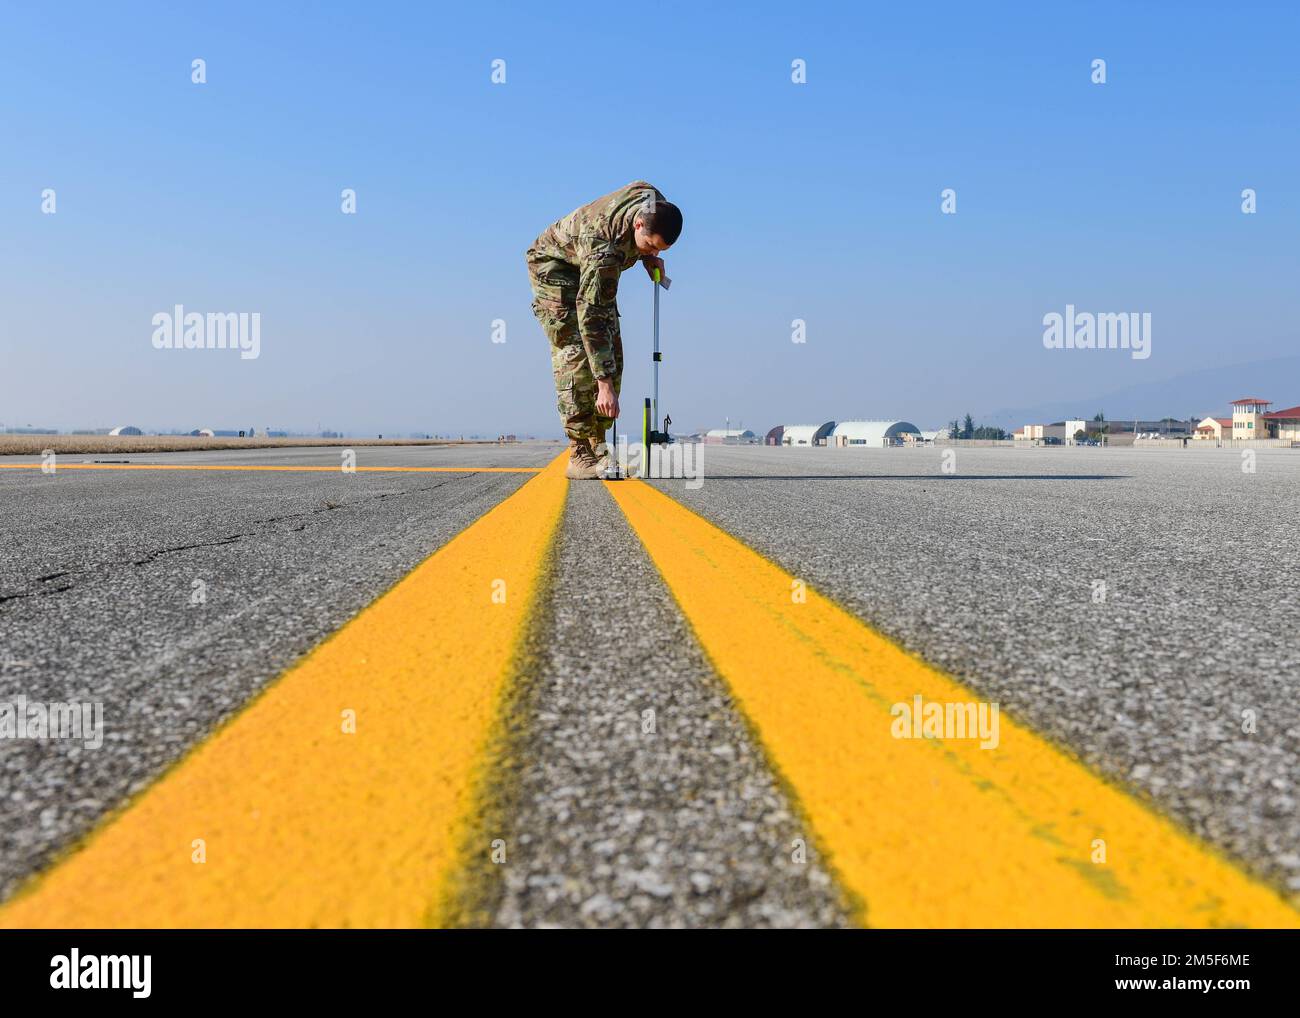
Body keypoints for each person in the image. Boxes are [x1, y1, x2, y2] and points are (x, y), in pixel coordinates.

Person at [526, 181, 682, 479]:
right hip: (555, 268)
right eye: (650, 245)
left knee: (612, 349)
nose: (652, 251)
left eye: (661, 248)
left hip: (590, 262)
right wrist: (604, 384)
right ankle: (579, 453)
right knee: (576, 355)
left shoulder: (652, 202)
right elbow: (591, 316)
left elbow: (642, 185)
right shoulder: (604, 251)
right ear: (638, 223)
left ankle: (598, 447)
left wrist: (648, 257)